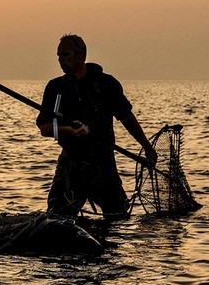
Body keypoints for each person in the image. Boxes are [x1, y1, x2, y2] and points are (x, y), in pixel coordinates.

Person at [36, 34, 157, 220]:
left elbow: (126, 117)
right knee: (56, 219)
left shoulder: (106, 84)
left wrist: (147, 147)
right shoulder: (55, 88)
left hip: (104, 165)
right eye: (58, 55)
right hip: (71, 166)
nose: (60, 59)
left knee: (118, 218)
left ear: (80, 55)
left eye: (65, 54)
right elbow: (44, 127)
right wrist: (67, 130)